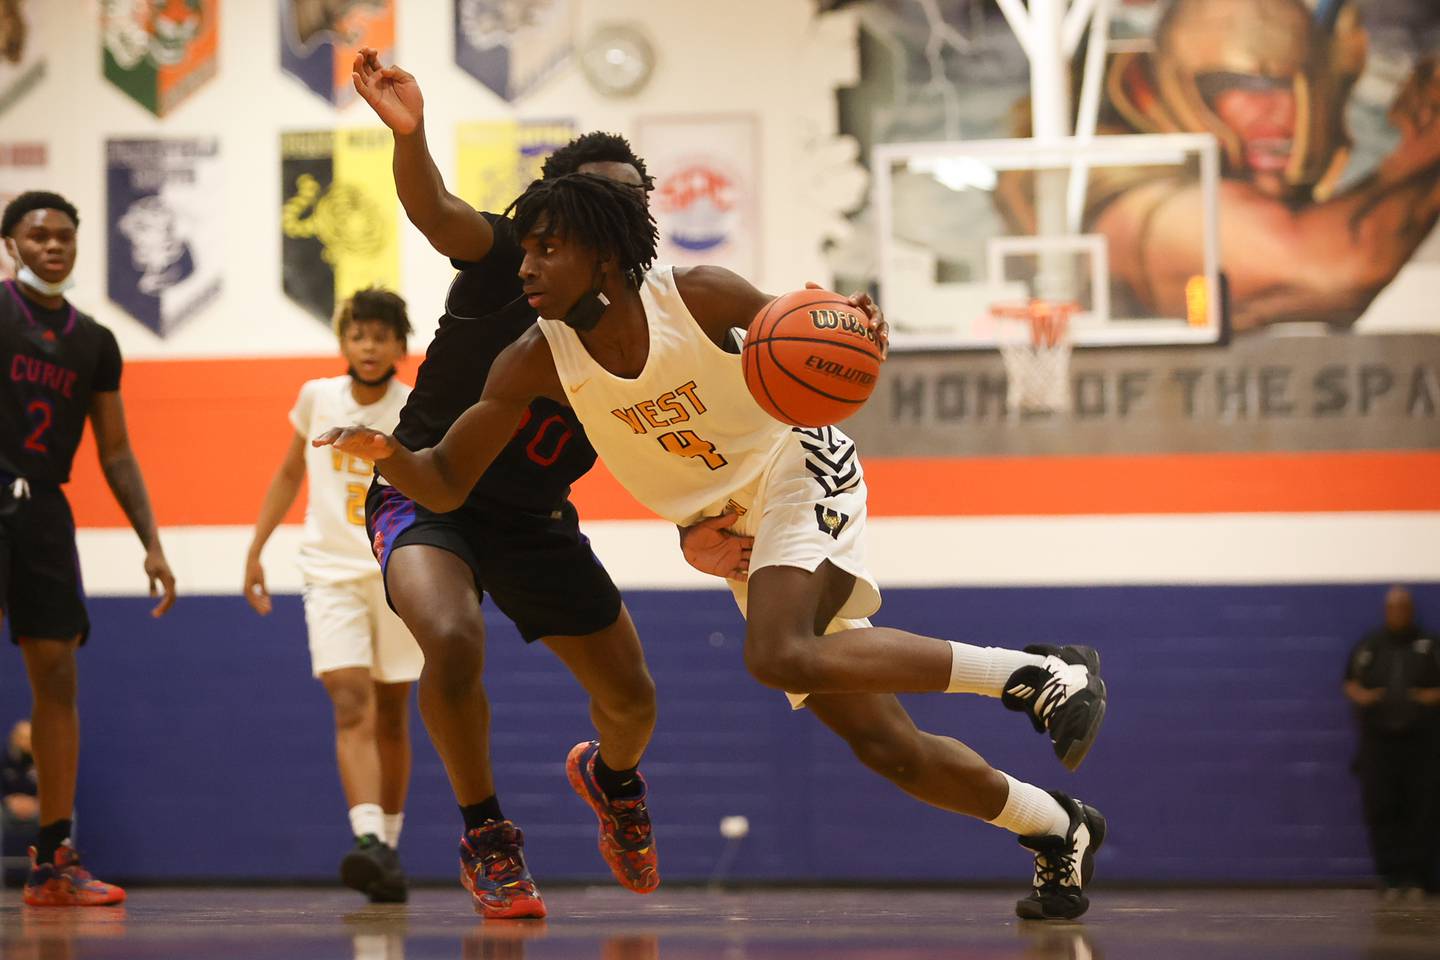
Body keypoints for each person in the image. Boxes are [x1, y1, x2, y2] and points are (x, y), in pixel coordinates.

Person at [317, 173, 1111, 921]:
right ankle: (1054, 826)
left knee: (777, 653)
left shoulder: (698, 298)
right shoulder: (533, 361)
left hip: (798, 466)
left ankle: (1038, 674)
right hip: (735, 524)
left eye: (545, 247)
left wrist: (857, 330)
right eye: (522, 248)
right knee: (887, 745)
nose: (524, 263)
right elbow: (448, 481)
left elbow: (817, 335)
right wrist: (390, 457)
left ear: (602, 254)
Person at [349, 51, 750, 919]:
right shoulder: (515, 260)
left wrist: (709, 521)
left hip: (533, 517)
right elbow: (436, 211)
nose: (619, 211)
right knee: (451, 638)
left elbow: (702, 435)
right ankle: (486, 834)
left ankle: (611, 783)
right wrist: (410, 136)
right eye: (596, 200)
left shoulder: (663, 316)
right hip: (426, 489)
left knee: (632, 700)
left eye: (631, 200)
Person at [1, 190, 177, 907]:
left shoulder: (94, 340)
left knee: (57, 678)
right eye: (39, 234)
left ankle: (53, 858)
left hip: (43, 509)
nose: (53, 246)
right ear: (11, 244)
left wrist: (152, 543)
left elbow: (117, 453)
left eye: (65, 236)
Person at [245, 288, 421, 903]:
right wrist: (255, 547)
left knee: (393, 712)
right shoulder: (317, 397)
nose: (369, 345)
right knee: (350, 700)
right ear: (344, 341)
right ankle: (368, 836)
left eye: (381, 335)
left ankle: (389, 848)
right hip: (329, 571)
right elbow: (292, 470)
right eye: (358, 334)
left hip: (396, 571)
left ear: (401, 344)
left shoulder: (415, 406)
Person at [1344, 585, 1440, 899]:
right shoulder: (1369, 646)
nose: (1398, 612)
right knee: (1382, 809)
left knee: (1421, 811)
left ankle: (1418, 879)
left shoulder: (1430, 646)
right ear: (1386, 611)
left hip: (1421, 745)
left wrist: (1429, 697)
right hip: (1379, 745)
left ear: (1411, 609)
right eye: (1393, 606)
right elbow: (1350, 682)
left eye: (1403, 606)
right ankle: (1390, 876)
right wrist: (1364, 696)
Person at [2, 719, 38, 886]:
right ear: (14, 738)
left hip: (37, 809)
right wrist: (8, 800)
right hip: (7, 811)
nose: (26, 741)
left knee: (60, 816)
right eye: (22, 737)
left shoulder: (43, 763)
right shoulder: (4, 762)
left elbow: (52, 788)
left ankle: (53, 872)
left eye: (29, 737)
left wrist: (37, 802)